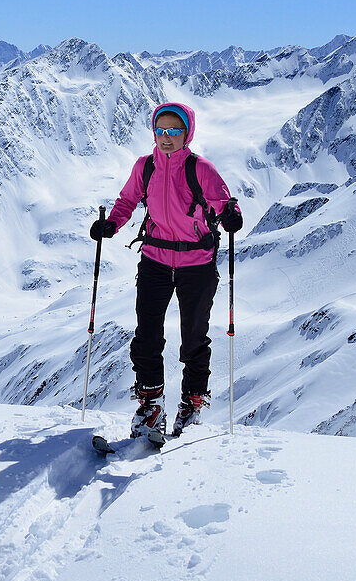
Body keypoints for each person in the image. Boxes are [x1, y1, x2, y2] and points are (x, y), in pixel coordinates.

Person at [90, 102, 242, 446]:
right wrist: (111, 224)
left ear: (187, 133)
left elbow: (223, 203)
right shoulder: (145, 167)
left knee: (193, 337)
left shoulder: (199, 168)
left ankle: (191, 404)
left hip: (197, 264)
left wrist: (232, 215)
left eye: (175, 130)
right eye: (161, 130)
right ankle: (150, 404)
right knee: (146, 336)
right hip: (156, 260)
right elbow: (128, 200)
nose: (167, 137)